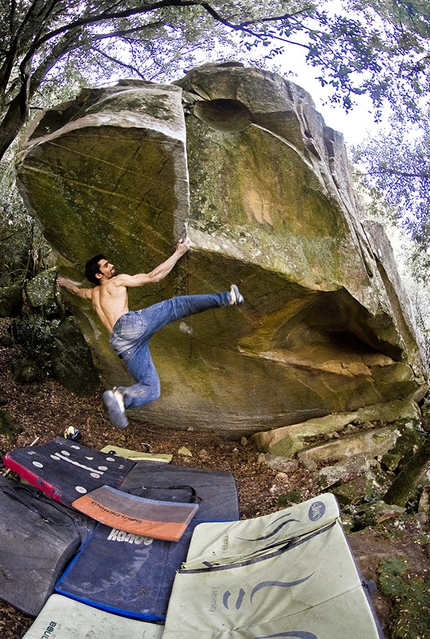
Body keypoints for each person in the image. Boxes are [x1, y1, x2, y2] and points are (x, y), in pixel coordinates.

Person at [57, 238, 244, 428]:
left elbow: (77, 290)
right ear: (99, 275)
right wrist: (179, 252)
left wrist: (63, 282)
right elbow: (154, 276)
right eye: (106, 265)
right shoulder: (116, 282)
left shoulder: (92, 294)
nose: (111, 265)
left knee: (151, 388)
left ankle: (121, 397)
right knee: (176, 305)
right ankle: (228, 297)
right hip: (128, 327)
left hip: (120, 344)